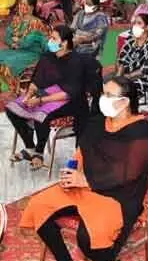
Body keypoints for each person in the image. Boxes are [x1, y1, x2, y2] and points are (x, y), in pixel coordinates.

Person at [20, 76, 148, 261]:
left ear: (125, 102)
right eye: (102, 93)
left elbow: (128, 173)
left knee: (89, 237)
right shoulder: (97, 123)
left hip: (119, 197)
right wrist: (73, 167)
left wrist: (85, 180)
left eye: (108, 95)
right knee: (39, 207)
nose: (102, 99)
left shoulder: (143, 132)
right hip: (84, 187)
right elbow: (81, 151)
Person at [6, 26, 89, 170]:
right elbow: (37, 80)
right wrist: (30, 94)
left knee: (41, 112)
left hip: (71, 100)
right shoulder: (48, 57)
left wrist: (40, 100)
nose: (49, 41)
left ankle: (39, 152)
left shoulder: (76, 62)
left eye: (54, 38)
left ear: (64, 43)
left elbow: (67, 92)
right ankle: (30, 147)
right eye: (50, 37)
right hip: (47, 93)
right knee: (12, 109)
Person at [0, 0, 50, 96]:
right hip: (15, 49)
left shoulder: (36, 23)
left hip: (32, 53)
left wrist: (17, 40)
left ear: (31, 8)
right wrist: (13, 43)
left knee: (7, 66)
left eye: (25, 4)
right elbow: (7, 37)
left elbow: (26, 43)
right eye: (20, 4)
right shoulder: (17, 19)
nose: (22, 7)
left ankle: (16, 92)